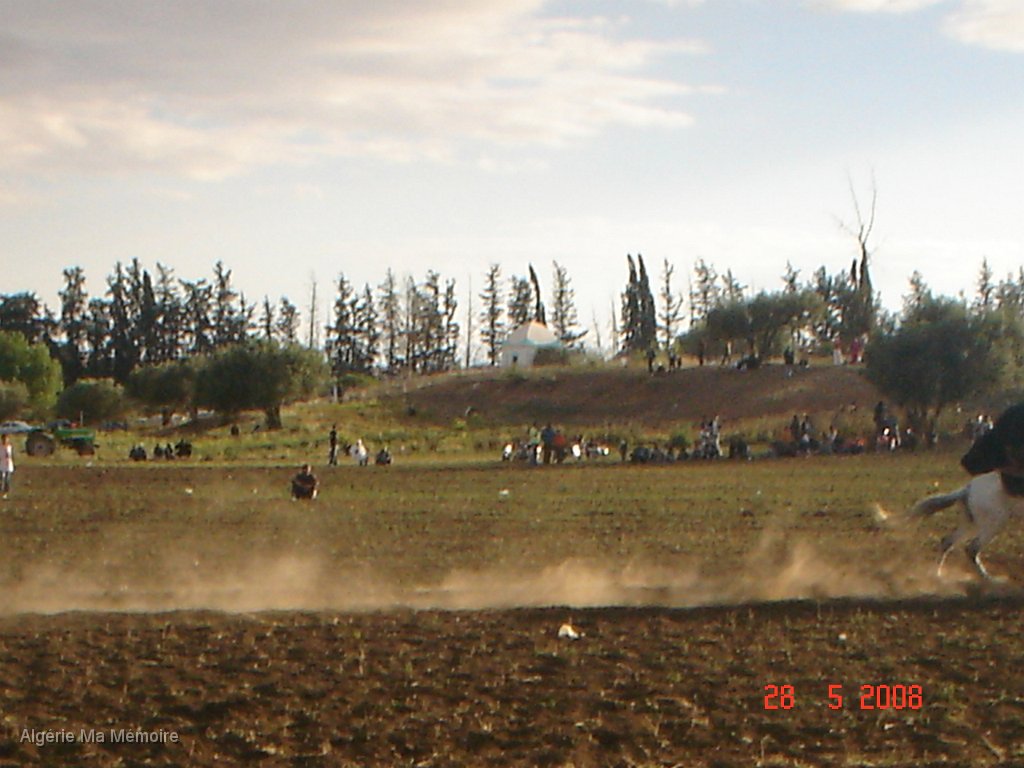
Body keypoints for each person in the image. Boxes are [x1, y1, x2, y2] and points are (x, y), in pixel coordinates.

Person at [0, 434, 13, 499]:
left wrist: (8, 460)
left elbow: (9, 455)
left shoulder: (9, 447)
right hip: (1, 465)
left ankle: (5, 493)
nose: (5, 440)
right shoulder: (1, 447)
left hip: (8, 466)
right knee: (1, 479)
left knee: (7, 480)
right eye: (4, 439)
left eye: (6, 439)